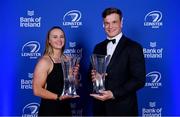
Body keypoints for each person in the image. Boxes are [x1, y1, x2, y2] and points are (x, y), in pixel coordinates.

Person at [90, 7, 146, 116]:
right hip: (100, 110)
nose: (110, 26)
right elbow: (90, 73)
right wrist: (93, 76)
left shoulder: (134, 47)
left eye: (114, 22)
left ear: (121, 22)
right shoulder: (98, 47)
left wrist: (113, 94)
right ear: (103, 24)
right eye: (107, 23)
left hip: (123, 110)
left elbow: (139, 80)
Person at [33, 26, 80, 116]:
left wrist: (75, 76)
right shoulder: (45, 61)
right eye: (55, 37)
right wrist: (58, 97)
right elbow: (37, 90)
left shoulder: (68, 59)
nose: (59, 39)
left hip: (66, 109)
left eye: (61, 36)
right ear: (49, 41)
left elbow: (75, 86)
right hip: (50, 110)